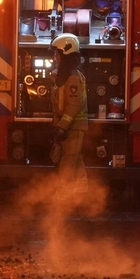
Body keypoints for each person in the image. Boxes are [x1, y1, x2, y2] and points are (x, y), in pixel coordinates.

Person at [50, 33, 88, 186]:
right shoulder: (67, 75)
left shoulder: (72, 77)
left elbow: (74, 104)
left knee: (66, 165)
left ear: (64, 53)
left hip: (73, 128)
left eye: (56, 53)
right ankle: (82, 201)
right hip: (72, 128)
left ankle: (63, 202)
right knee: (77, 165)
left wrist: (62, 127)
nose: (54, 56)